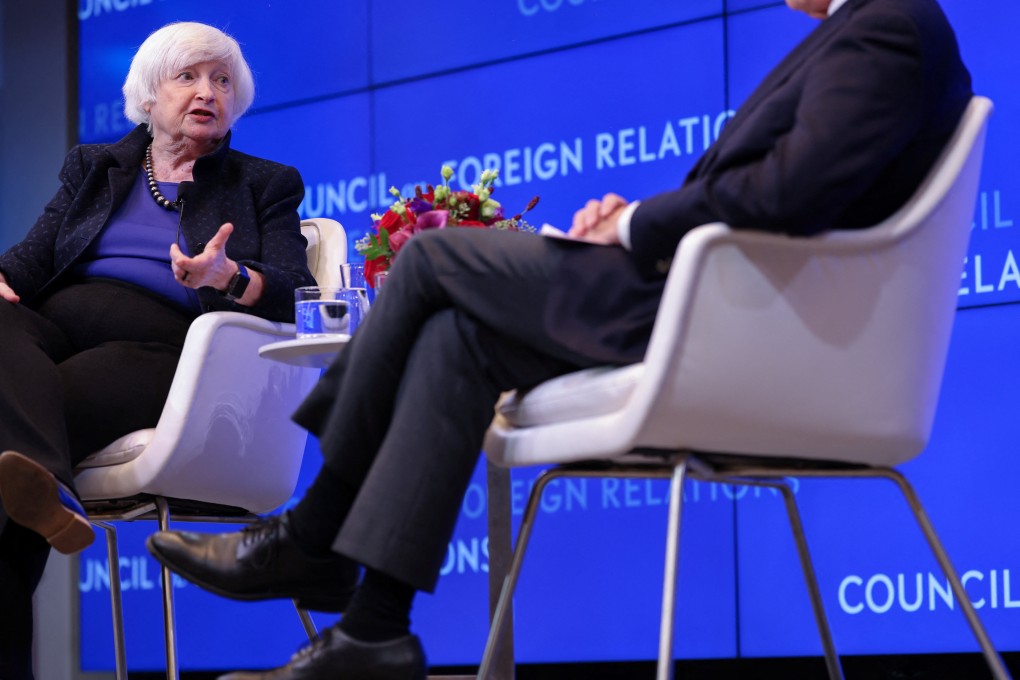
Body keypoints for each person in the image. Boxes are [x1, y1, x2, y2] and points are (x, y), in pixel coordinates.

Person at [146, 0, 973, 677]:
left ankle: (312, 534)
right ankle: (373, 630)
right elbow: (775, 191)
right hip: (711, 307)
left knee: (433, 258)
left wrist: (637, 223)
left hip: (733, 329)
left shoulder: (889, 25)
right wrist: (631, 219)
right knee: (456, 338)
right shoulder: (873, 28)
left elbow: (794, 193)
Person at [0, 21, 317, 679]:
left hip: (164, 354)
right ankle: (45, 490)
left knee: (15, 443)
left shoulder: (265, 183)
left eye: (222, 80)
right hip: (56, 332)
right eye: (189, 77)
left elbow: (297, 293)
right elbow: (27, 266)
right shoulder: (96, 167)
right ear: (148, 96)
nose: (208, 92)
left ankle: (36, 491)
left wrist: (226, 277)